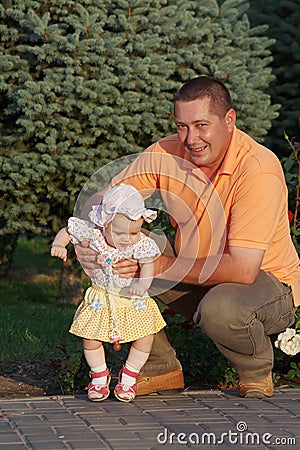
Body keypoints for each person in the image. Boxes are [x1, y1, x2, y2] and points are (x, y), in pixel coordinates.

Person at [75, 76, 300, 399]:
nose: (190, 139)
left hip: (265, 287)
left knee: (221, 308)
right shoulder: (167, 153)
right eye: (182, 126)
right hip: (195, 270)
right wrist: (94, 237)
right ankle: (158, 364)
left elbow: (243, 270)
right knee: (122, 248)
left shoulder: (257, 169)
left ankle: (256, 369)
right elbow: (107, 199)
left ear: (229, 120)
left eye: (201, 125)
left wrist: (156, 264)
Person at [51, 184, 166, 402]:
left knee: (145, 337)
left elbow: (148, 263)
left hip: (132, 300)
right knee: (90, 337)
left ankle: (129, 376)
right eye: (120, 232)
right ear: (104, 224)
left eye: (133, 232)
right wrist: (60, 244)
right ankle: (99, 375)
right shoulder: (94, 234)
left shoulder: (139, 243)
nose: (127, 238)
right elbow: (68, 231)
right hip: (101, 298)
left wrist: (143, 283)